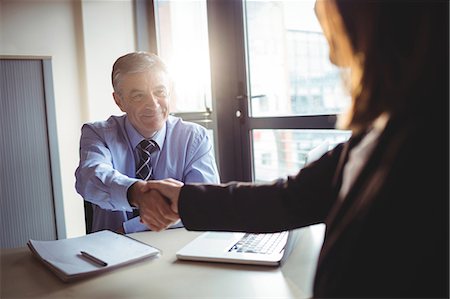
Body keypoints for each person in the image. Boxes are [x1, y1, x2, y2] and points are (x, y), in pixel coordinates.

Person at [135, 0, 448, 297]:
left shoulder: (429, 145)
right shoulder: (376, 133)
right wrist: (184, 198)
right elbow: (288, 198)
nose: (333, 59)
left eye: (337, 36)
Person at [75, 52, 220, 234]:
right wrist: (137, 193)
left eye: (160, 92)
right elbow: (89, 178)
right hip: (113, 252)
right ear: (119, 101)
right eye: (138, 96)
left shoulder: (194, 138)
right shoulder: (98, 133)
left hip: (175, 249)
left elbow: (203, 205)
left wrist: (131, 228)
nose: (153, 104)